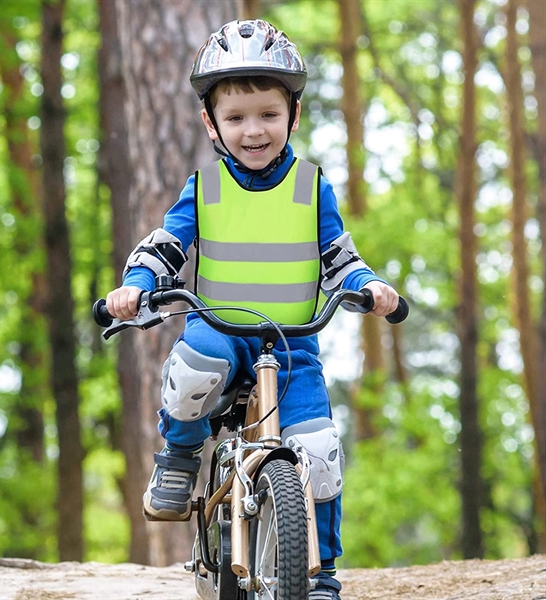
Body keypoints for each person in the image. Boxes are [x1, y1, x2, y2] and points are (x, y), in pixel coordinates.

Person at [106, 19, 399, 600]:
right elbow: (166, 244)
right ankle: (181, 452)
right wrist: (137, 284)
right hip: (219, 333)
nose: (253, 130)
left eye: (268, 114)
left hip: (293, 347)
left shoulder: (313, 189)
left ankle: (320, 572)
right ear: (210, 123)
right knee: (194, 369)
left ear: (293, 115)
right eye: (236, 118)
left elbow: (340, 257)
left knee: (317, 454)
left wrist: (371, 286)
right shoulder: (205, 187)